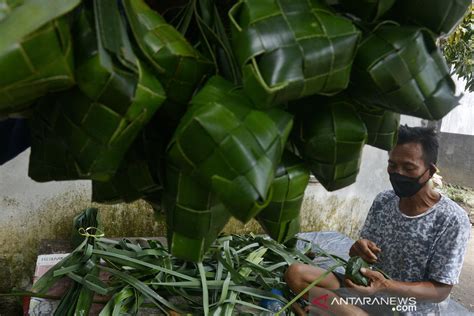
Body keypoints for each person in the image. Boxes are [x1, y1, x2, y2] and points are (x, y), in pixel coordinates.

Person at [284, 125, 471, 315]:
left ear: (430, 171)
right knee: (296, 274)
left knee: (342, 309)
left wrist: (386, 286)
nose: (399, 173)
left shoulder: (452, 219)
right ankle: (343, 311)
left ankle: (334, 311)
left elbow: (440, 291)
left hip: (408, 307)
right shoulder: (384, 201)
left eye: (408, 167)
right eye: (392, 165)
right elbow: (361, 257)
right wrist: (357, 250)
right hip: (369, 292)